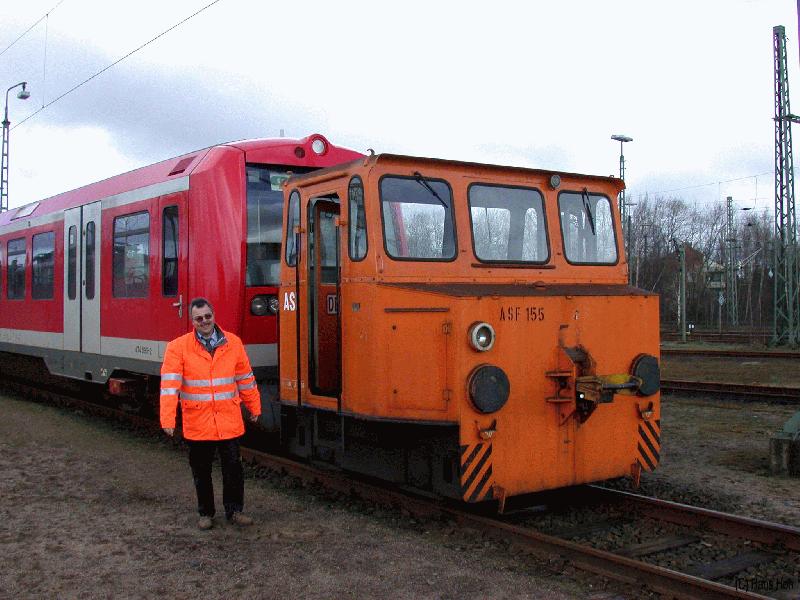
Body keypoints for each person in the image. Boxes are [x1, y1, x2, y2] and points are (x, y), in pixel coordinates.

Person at [159, 297, 261, 530]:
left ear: (213, 316)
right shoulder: (178, 347)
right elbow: (169, 387)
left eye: (207, 316)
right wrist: (167, 419)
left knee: (233, 469)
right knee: (201, 471)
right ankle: (206, 513)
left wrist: (254, 407)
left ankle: (235, 511)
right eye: (199, 318)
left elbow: (245, 379)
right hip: (198, 423)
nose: (204, 321)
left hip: (228, 422)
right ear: (192, 321)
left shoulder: (233, 343)